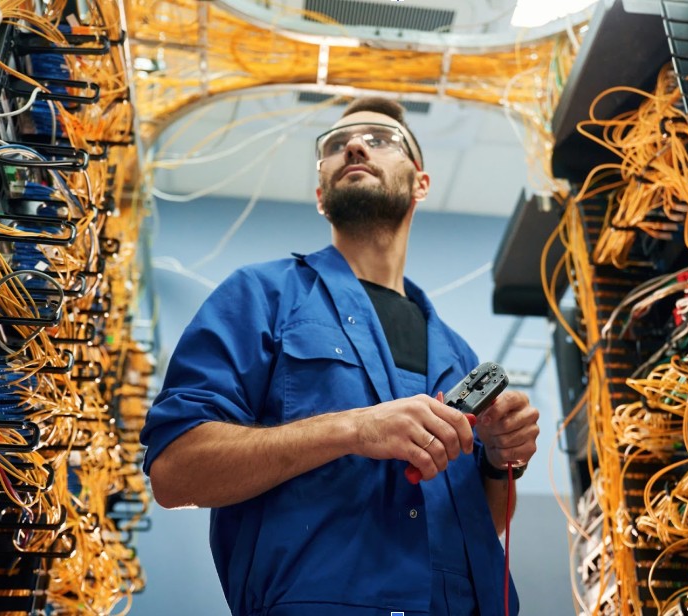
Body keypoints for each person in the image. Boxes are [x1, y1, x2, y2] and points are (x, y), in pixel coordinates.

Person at [140, 97, 540, 616]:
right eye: (335, 145)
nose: (354, 145)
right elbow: (175, 473)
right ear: (320, 193)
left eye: (381, 140)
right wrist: (354, 430)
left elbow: (477, 526)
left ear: (420, 182)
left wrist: (496, 459)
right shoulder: (262, 297)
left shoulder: (459, 354)